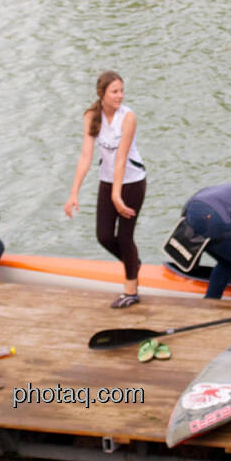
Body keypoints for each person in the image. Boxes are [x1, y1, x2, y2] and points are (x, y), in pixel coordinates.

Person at [63, 70, 147, 308]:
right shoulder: (91, 116)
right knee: (104, 236)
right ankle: (133, 264)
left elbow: (121, 159)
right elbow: (85, 156)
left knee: (125, 236)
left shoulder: (128, 117)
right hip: (107, 180)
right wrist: (73, 193)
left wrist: (117, 195)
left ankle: (131, 290)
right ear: (102, 93)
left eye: (121, 91)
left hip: (132, 182)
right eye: (114, 91)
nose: (120, 96)